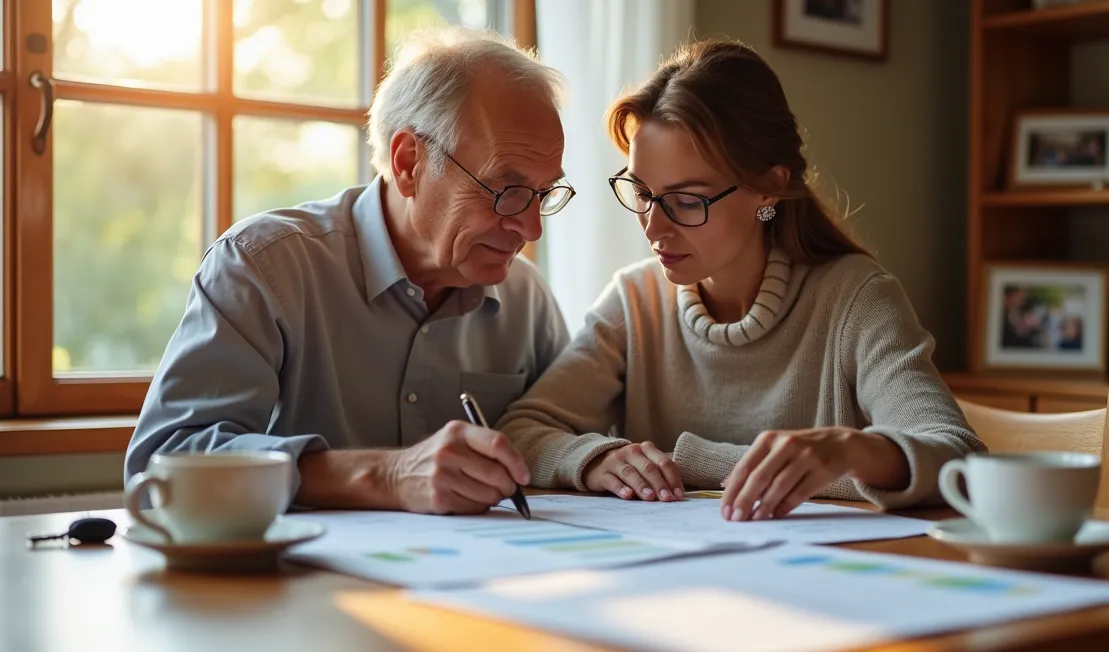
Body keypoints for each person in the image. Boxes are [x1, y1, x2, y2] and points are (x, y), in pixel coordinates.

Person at [496, 38, 985, 522]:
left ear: (770, 186)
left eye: (687, 200)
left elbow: (962, 459)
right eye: (642, 193)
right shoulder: (634, 301)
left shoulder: (855, 297)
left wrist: (848, 450)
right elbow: (520, 431)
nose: (653, 227)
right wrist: (595, 459)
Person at [124, 27, 575, 516]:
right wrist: (387, 476)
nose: (532, 228)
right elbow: (163, 465)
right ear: (409, 163)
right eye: (507, 190)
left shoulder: (526, 299)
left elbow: (560, 439)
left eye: (543, 194)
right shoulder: (264, 266)